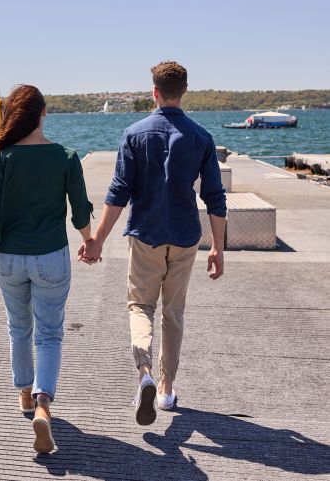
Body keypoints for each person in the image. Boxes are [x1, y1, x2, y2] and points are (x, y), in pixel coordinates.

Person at [80, 61, 226, 426]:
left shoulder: (134, 133)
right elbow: (214, 197)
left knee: (140, 306)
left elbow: (118, 192)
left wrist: (97, 240)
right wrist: (218, 248)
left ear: (154, 92)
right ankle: (165, 389)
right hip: (185, 237)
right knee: (173, 314)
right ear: (185, 90)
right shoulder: (201, 137)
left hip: (145, 236)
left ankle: (143, 370)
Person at [0, 85, 94, 453]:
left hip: (8, 259)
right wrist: (89, 242)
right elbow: (80, 210)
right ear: (43, 114)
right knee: (50, 333)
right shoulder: (66, 156)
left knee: (18, 328)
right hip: (50, 257)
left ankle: (25, 396)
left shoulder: (4, 159)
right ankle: (44, 405)